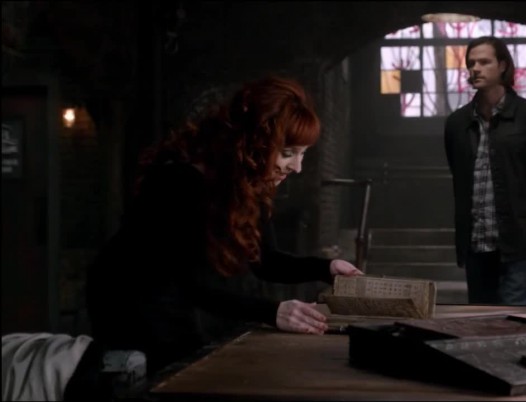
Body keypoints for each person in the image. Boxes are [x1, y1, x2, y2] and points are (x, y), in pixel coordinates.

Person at [86, 75, 362, 376]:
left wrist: (326, 268)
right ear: (255, 143)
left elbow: (266, 261)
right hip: (132, 312)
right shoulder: (179, 182)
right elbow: (192, 286)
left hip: (179, 309)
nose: (297, 167)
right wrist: (273, 312)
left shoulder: (248, 185)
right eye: (288, 153)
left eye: (302, 154)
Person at [443, 36, 526, 305]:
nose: (475, 68)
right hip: (477, 244)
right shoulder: (457, 123)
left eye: (484, 62)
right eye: (471, 63)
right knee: (481, 320)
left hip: (518, 242)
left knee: (517, 321)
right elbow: (459, 176)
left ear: (503, 66)